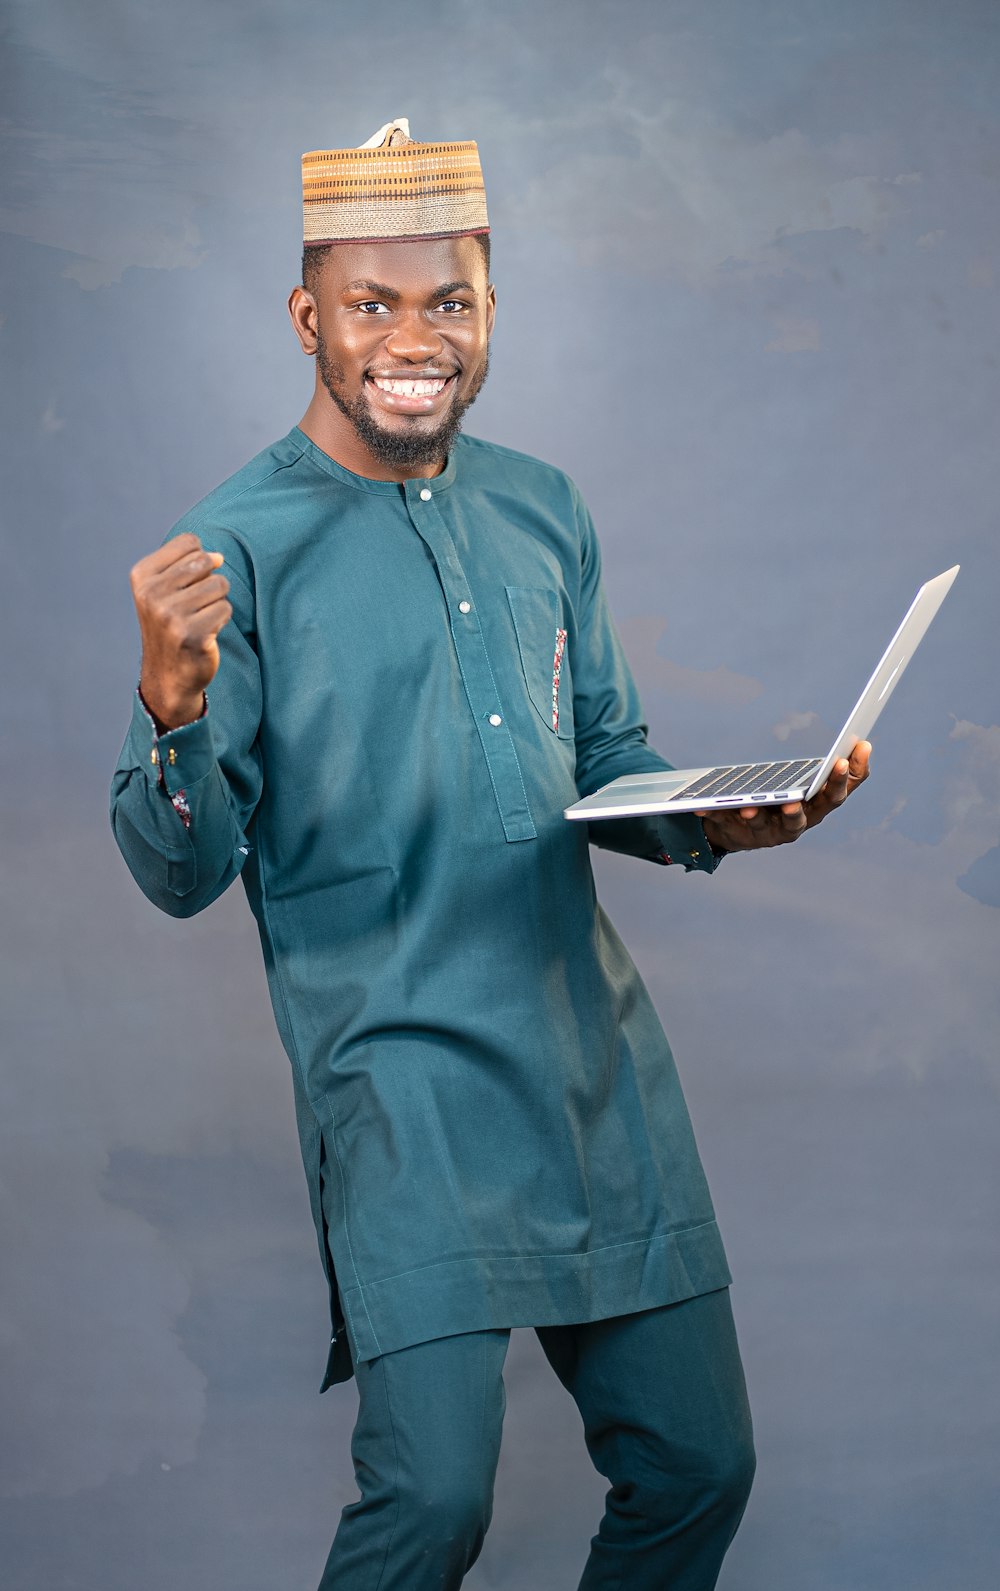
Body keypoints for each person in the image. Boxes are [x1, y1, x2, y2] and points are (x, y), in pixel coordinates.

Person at [111, 119, 870, 1590]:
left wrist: (727, 815)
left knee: (699, 1468)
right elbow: (179, 872)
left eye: (447, 301)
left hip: (595, 1072)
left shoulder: (543, 510)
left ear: (491, 313)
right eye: (373, 303)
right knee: (434, 1508)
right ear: (307, 317)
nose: (414, 338)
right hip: (400, 1090)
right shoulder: (229, 551)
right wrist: (171, 710)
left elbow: (603, 765)